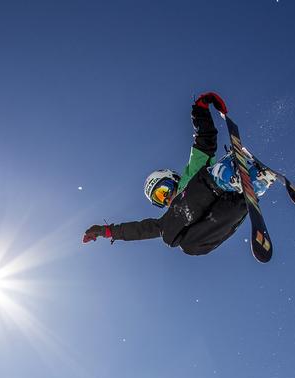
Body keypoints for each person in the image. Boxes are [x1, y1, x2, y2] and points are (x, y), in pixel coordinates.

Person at [82, 92, 277, 256]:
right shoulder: (174, 217)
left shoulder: (190, 174)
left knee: (174, 217)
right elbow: (142, 229)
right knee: (182, 242)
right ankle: (256, 182)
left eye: (163, 190)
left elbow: (205, 141)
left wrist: (200, 109)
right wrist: (107, 231)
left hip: (213, 183)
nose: (166, 197)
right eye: (159, 198)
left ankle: (229, 175)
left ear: (173, 180)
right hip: (226, 210)